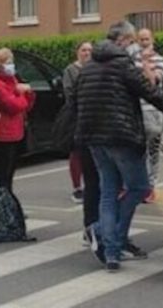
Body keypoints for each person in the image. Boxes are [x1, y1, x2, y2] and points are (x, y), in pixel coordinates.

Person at [73, 21, 163, 272]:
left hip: (94, 138)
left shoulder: (89, 66)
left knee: (108, 192)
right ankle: (113, 239)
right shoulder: (122, 63)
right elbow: (149, 91)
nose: (134, 47)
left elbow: (76, 100)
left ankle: (111, 253)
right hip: (121, 136)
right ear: (124, 40)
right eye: (132, 42)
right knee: (139, 187)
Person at [0, 48, 35, 192]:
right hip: (3, 133)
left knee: (10, 172)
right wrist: (21, 93)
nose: (11, 65)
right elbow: (13, 106)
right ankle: (0, 202)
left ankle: (8, 201)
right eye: (8, 62)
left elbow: (26, 106)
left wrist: (28, 93)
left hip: (16, 130)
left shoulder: (12, 80)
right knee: (3, 172)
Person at [136, 29, 163, 203]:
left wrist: (145, 63)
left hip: (153, 111)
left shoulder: (161, 61)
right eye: (141, 39)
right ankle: (139, 186)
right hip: (136, 110)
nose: (144, 42)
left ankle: (151, 186)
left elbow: (152, 82)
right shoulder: (131, 60)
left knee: (152, 150)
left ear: (152, 40)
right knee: (137, 150)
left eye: (146, 39)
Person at [62, 41, 93, 204]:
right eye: (83, 50)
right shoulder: (70, 70)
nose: (87, 53)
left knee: (91, 152)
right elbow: (69, 94)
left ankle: (91, 184)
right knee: (76, 152)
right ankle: (76, 187)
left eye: (89, 50)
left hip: (93, 117)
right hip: (77, 116)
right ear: (77, 52)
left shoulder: (94, 68)